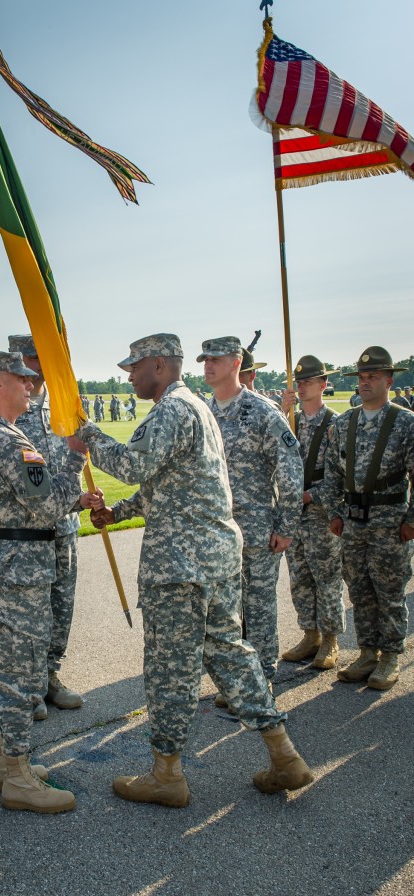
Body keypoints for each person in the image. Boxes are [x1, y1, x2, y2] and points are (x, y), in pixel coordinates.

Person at [77, 333, 313, 807]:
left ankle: (167, 775)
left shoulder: (172, 409)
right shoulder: (198, 409)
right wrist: (118, 513)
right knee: (230, 654)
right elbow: (170, 483)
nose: (129, 375)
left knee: (169, 669)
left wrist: (85, 435)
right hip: (215, 558)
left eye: (135, 367)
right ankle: (284, 755)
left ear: (160, 365)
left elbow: (132, 463)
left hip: (180, 567)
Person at [0, 349, 101, 813]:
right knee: (20, 673)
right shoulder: (9, 441)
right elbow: (46, 504)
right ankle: (18, 777)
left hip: (5, 561)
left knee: (2, 667)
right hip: (21, 569)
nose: (32, 386)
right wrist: (74, 457)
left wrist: (72, 497)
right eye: (22, 379)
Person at [0, 335, 86, 719]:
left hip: (62, 527)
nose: (39, 367)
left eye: (45, 357)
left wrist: (80, 500)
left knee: (59, 607)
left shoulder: (62, 405)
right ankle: (26, 690)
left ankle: (49, 676)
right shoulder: (2, 415)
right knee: (21, 622)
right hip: (22, 537)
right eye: (32, 358)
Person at [200, 337, 303, 689]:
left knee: (258, 610)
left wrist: (287, 526)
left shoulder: (261, 411)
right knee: (227, 612)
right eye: (204, 359)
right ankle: (238, 683)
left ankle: (262, 682)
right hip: (217, 533)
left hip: (258, 531)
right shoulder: (203, 412)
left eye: (216, 359)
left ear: (235, 363)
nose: (207, 365)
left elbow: (290, 469)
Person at [323, 346, 414, 690]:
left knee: (389, 590)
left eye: (372, 377)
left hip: (390, 521)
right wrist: (334, 512)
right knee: (359, 589)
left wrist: (412, 519)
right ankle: (367, 652)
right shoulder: (345, 422)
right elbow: (331, 472)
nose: (364, 383)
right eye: (361, 378)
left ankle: (390, 656)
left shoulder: (405, 423)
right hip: (353, 520)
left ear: (389, 381)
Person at [280, 356, 345, 670]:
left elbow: (339, 477)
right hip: (293, 514)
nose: (302, 386)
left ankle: (331, 639)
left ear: (324, 385)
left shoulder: (335, 424)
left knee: (326, 577)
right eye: (298, 381)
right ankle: (310, 634)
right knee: (299, 577)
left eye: (308, 381)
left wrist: (308, 495)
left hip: (319, 511)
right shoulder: (288, 420)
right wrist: (282, 412)